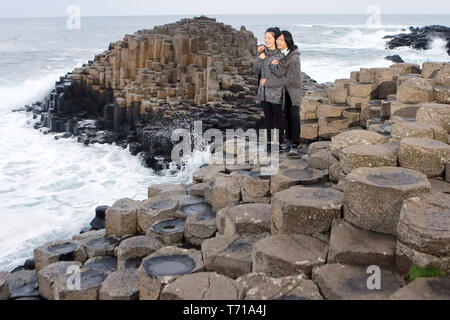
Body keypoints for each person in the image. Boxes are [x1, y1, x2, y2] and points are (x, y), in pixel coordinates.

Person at [263, 30, 302, 153]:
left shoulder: (294, 57)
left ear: (287, 41)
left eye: (281, 40)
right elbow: (279, 70)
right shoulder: (284, 54)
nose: (278, 42)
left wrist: (268, 83)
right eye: (278, 39)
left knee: (294, 116)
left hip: (293, 92)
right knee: (285, 117)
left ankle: (295, 145)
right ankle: (289, 141)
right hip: (284, 91)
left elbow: (287, 79)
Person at [253, 27, 286, 148]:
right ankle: (268, 143)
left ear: (275, 39)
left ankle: (280, 142)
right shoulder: (263, 53)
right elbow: (256, 70)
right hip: (263, 92)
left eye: (269, 38)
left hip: (276, 92)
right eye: (265, 37)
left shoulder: (281, 56)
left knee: (278, 118)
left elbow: (281, 75)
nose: (267, 40)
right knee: (267, 118)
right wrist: (259, 59)